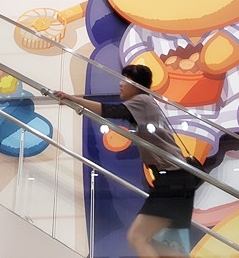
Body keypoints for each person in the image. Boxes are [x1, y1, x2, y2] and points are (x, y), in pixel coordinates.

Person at [54, 64, 196, 258]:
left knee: (137, 238)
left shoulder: (142, 100)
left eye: (126, 81)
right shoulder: (145, 104)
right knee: (151, 242)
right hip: (175, 178)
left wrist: (73, 99)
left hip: (173, 178)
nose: (120, 84)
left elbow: (109, 110)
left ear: (138, 86)